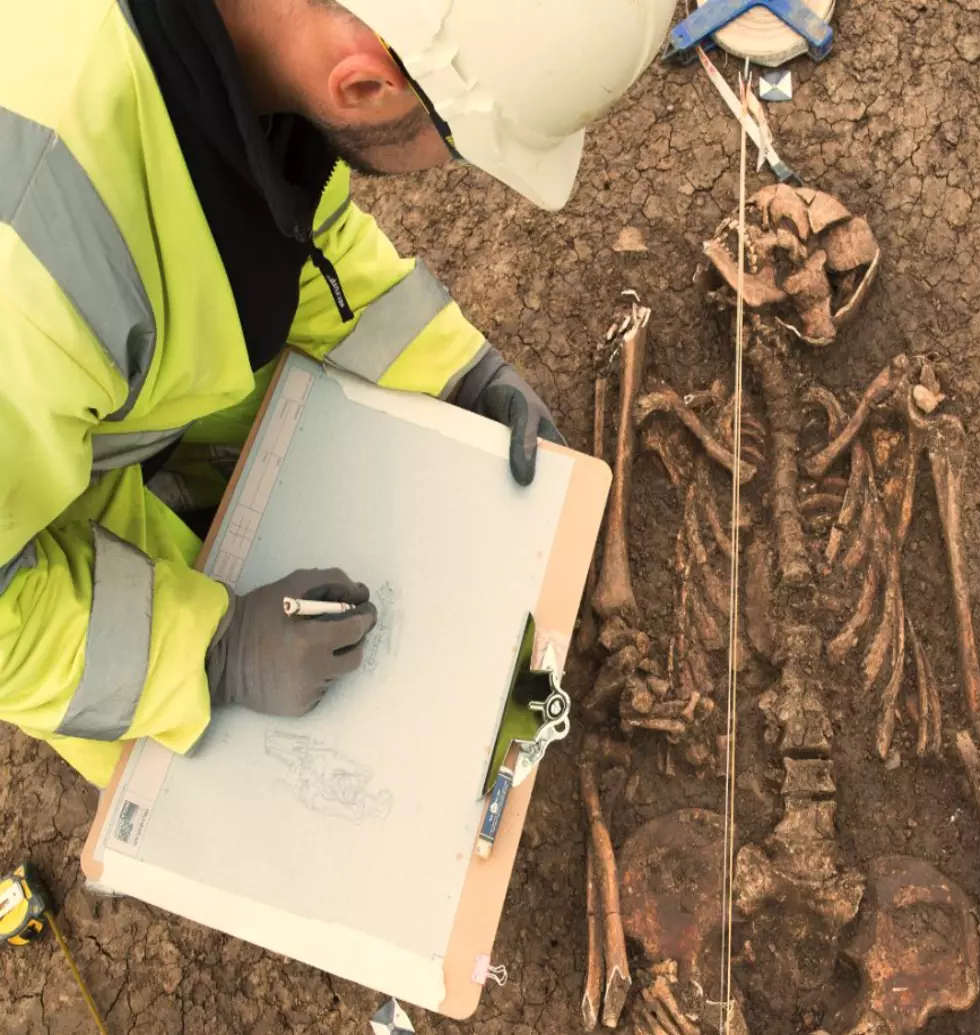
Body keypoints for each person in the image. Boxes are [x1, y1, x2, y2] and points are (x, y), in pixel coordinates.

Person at [0, 0, 675, 785]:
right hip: (31, 505)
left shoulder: (245, 50)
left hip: (77, 384)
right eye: (455, 145)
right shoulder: (36, 272)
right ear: (362, 86)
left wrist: (455, 369)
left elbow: (296, 232)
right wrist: (213, 654)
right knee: (247, 783)